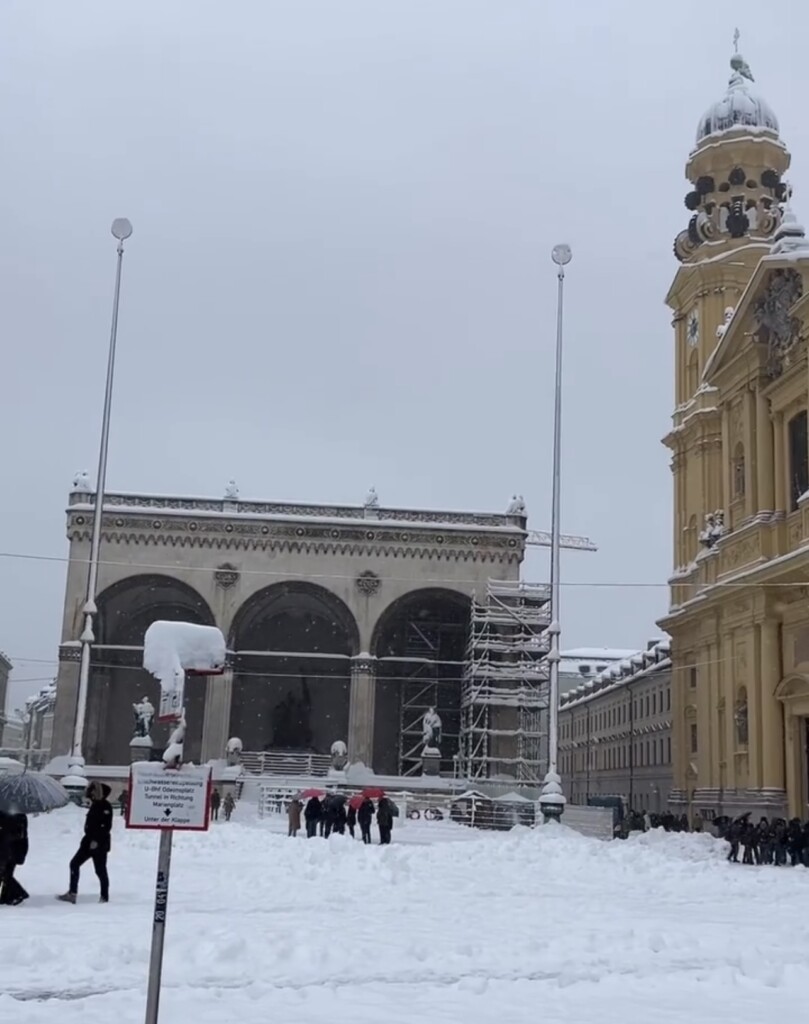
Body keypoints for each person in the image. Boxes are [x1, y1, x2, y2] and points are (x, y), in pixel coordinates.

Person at [57, 781, 113, 904]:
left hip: (99, 844)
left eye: (93, 791)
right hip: (88, 842)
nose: (91, 793)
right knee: (74, 864)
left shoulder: (105, 806)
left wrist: (96, 840)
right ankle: (73, 893)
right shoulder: (95, 805)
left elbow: (106, 827)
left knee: (100, 870)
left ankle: (104, 896)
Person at [0, 811, 29, 906]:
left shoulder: (13, 817)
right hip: (12, 849)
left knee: (5, 874)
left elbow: (13, 833)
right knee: (6, 873)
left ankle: (18, 893)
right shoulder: (19, 816)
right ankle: (7, 895)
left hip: (10, 849)